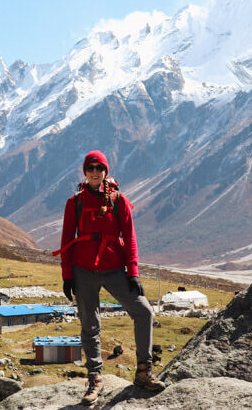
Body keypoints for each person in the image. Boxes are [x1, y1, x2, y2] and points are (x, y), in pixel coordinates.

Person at [54, 150, 166, 406]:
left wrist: (133, 272)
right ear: (85, 171)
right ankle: (95, 380)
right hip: (83, 271)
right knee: (89, 326)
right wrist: (67, 275)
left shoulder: (119, 200)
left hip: (115, 270)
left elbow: (131, 238)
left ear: (105, 171)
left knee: (144, 311)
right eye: (90, 168)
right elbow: (66, 240)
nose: (95, 172)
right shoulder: (75, 202)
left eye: (99, 168)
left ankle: (143, 371)